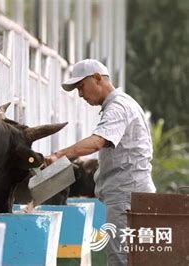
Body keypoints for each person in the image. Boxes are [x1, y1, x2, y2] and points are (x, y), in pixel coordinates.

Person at [45, 59, 156, 266]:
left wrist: (60, 155)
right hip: (132, 194)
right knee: (135, 260)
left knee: (121, 261)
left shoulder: (118, 107)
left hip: (126, 197)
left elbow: (97, 141)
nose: (80, 94)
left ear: (97, 78)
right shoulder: (125, 104)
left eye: (81, 87)